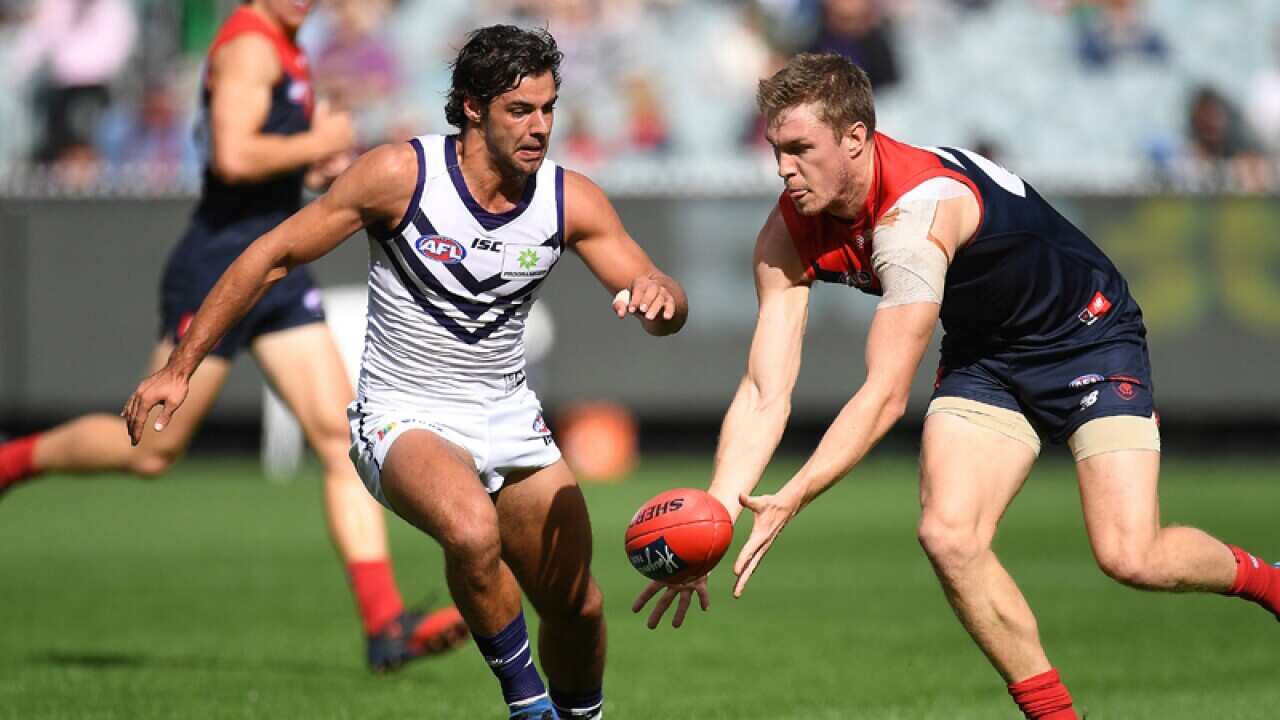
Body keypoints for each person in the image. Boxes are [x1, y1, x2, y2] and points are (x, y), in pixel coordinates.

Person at [633, 53, 1279, 720]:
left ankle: (1272, 584)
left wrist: (793, 495)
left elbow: (885, 394)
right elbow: (765, 389)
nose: (782, 170)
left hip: (1087, 333)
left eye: (800, 149)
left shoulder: (916, 217)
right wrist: (715, 517)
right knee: (949, 536)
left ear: (855, 138)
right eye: (776, 150)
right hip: (987, 355)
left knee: (1130, 555)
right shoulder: (786, 232)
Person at [123, 24, 688, 720]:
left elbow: (659, 293)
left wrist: (663, 303)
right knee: (473, 531)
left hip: (510, 416)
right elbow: (267, 256)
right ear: (473, 107)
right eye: (521, 110)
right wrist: (181, 367)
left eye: (549, 108)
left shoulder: (570, 200)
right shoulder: (401, 176)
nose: (540, 127)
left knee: (579, 606)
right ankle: (528, 706)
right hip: (403, 414)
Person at [0, 0, 467, 672]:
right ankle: (13, 461)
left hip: (276, 263)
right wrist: (319, 138)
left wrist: (318, 168)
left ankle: (385, 624)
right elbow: (233, 153)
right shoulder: (248, 46)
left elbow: (268, 163)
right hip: (221, 267)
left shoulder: (285, 42)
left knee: (342, 437)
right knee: (153, 451)